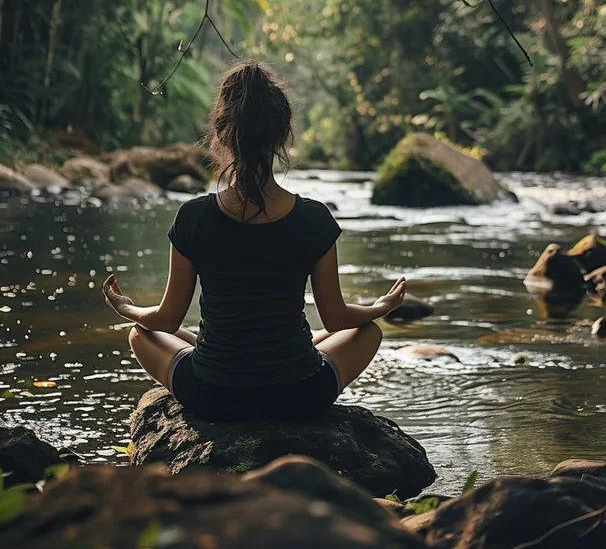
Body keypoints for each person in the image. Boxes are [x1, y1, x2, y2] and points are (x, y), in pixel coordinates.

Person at [102, 60, 407, 421]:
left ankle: (246, 360)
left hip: (212, 394)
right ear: (281, 135)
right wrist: (381, 307)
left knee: (141, 334)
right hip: (300, 393)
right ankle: (280, 357)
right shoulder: (314, 218)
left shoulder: (194, 217)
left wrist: (127, 309)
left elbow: (165, 321)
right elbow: (337, 317)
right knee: (367, 332)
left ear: (222, 134)